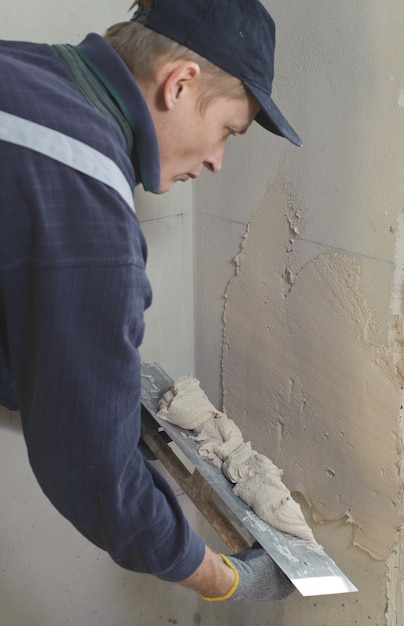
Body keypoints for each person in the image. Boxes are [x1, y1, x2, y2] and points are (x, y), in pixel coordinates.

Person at [0, 0, 302, 602]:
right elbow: (94, 474)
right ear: (181, 83)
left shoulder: (21, 73)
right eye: (227, 132)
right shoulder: (88, 200)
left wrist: (92, 383)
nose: (217, 160)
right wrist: (226, 580)